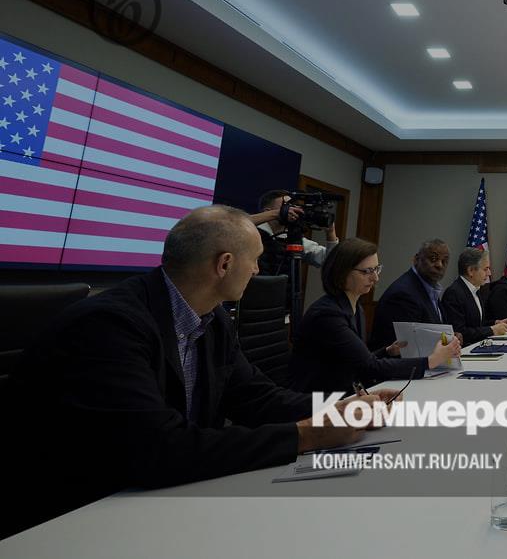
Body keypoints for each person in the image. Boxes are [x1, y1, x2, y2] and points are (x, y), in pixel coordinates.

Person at [4, 206, 389, 536]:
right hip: (70, 516)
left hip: (156, 496)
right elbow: (158, 448)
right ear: (225, 264)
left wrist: (343, 406)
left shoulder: (212, 318)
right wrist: (306, 435)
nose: (257, 270)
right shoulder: (110, 325)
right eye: (254, 259)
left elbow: (255, 396)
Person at [289, 239, 460, 393]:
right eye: (367, 271)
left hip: (342, 394)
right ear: (342, 272)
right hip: (317, 403)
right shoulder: (327, 315)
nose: (375, 278)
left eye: (377, 269)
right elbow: (370, 368)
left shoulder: (356, 307)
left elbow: (358, 360)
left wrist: (387, 352)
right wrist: (431, 360)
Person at [369, 238, 450, 350]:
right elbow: (407, 348)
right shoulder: (403, 295)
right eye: (433, 259)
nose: (439, 265)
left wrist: (450, 337)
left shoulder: (430, 289)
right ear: (416, 259)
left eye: (444, 261)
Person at [251, 189, 338, 274]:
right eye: (286, 206)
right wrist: (276, 214)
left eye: (293, 206)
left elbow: (330, 261)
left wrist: (330, 233)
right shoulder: (251, 232)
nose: (292, 209)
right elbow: (242, 221)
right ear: (268, 211)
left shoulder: (294, 239)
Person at [441, 248, 507, 345]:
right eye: (485, 269)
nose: (489, 273)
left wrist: (495, 323)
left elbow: (477, 325)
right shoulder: (453, 294)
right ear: (470, 270)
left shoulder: (476, 290)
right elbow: (459, 333)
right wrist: (491, 330)